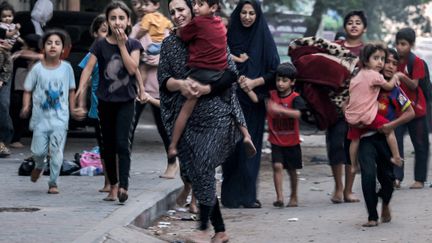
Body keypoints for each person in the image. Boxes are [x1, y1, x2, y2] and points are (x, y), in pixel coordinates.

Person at [159, 0, 245, 241]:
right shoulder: (169, 44)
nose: (177, 15)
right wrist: (180, 84)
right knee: (200, 173)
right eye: (172, 12)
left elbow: (231, 74)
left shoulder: (211, 32)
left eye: (181, 10)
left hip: (215, 114)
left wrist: (207, 88)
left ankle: (207, 228)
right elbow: (164, 80)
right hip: (186, 118)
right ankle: (218, 231)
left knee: (204, 166)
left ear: (192, 10)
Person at [75, 1, 145, 203]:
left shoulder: (134, 45)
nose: (117, 22)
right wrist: (81, 87)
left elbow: (132, 69)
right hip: (104, 101)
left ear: (128, 21)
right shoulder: (100, 44)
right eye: (113, 18)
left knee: (123, 144)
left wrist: (122, 45)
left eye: (121, 18)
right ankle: (112, 186)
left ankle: (124, 186)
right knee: (108, 146)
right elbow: (88, 68)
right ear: (107, 21)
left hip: (126, 101)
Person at [168, 0, 256, 160]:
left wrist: (175, 32)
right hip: (220, 72)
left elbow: (183, 35)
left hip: (201, 73)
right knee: (232, 103)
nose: (195, 7)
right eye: (194, 3)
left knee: (185, 110)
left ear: (213, 7)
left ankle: (173, 145)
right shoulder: (220, 24)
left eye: (200, 4)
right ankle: (246, 135)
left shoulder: (198, 23)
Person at [221, 0, 280, 209]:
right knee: (231, 149)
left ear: (257, 16)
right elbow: (219, 62)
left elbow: (275, 71)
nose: (247, 17)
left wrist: (254, 82)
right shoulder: (228, 36)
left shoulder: (264, 38)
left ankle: (247, 196)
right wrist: (236, 78)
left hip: (254, 104)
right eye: (243, 13)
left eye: (251, 13)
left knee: (250, 147)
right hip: (230, 100)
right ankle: (229, 196)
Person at [358, 48, 415, 227]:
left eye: (393, 63)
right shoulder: (367, 82)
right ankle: (372, 216)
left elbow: (410, 113)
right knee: (367, 175)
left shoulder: (395, 90)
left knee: (388, 180)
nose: (389, 66)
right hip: (366, 137)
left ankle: (386, 202)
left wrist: (391, 125)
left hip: (386, 139)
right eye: (386, 61)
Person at [20, 29, 76, 194]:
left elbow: (71, 90)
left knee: (57, 151)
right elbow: (27, 90)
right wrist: (25, 106)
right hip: (40, 119)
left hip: (60, 119)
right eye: (49, 43)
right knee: (38, 152)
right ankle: (38, 165)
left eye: (57, 43)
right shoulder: (37, 69)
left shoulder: (67, 68)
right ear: (43, 47)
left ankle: (53, 183)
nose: (53, 46)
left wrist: (73, 109)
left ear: (63, 49)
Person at [129, 0, 178, 180]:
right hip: (136, 88)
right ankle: (122, 166)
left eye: (146, 3)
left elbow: (173, 55)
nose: (141, 7)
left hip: (158, 87)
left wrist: (157, 60)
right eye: (137, 3)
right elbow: (127, 50)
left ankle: (172, 163)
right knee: (129, 127)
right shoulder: (136, 28)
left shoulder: (165, 27)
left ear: (156, 5)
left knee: (164, 128)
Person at [326, 10, 367, 204]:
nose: (353, 25)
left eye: (358, 22)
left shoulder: (368, 51)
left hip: (358, 107)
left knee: (353, 148)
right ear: (345, 27)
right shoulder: (334, 48)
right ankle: (338, 188)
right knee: (335, 146)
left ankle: (349, 190)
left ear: (364, 28)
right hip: (335, 106)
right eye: (350, 22)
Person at [345, 43, 402, 173]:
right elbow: (388, 86)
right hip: (367, 116)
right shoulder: (375, 75)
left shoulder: (357, 75)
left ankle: (353, 165)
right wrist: (396, 77)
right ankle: (396, 157)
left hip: (352, 117)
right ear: (366, 60)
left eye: (382, 59)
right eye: (376, 58)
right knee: (389, 129)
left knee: (354, 140)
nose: (380, 63)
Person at [393, 27, 430, 189]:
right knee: (395, 144)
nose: (400, 47)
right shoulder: (392, 62)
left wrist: (401, 76)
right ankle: (397, 178)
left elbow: (415, 84)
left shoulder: (416, 62)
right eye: (398, 44)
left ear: (411, 45)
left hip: (417, 110)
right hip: (399, 111)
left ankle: (419, 179)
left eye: (403, 44)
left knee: (421, 144)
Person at [77, 14, 109, 193]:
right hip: (99, 108)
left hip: (118, 105)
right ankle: (107, 181)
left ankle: (116, 180)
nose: (107, 34)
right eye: (103, 30)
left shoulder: (121, 51)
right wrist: (81, 103)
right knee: (104, 145)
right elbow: (86, 80)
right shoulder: (92, 55)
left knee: (117, 144)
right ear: (95, 33)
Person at [267, 62, 306, 208]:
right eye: (278, 80)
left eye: (284, 81)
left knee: (292, 170)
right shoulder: (271, 95)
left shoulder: (295, 98)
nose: (280, 84)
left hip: (292, 142)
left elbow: (298, 114)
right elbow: (257, 99)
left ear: (292, 82)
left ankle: (294, 196)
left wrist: (281, 111)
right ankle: (280, 197)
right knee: (277, 166)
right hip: (276, 140)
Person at [0, 1, 16, 157]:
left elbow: (9, 57)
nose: (7, 19)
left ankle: (4, 141)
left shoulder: (12, 31)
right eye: (4, 16)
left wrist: (2, 79)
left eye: (9, 16)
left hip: (4, 72)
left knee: (3, 105)